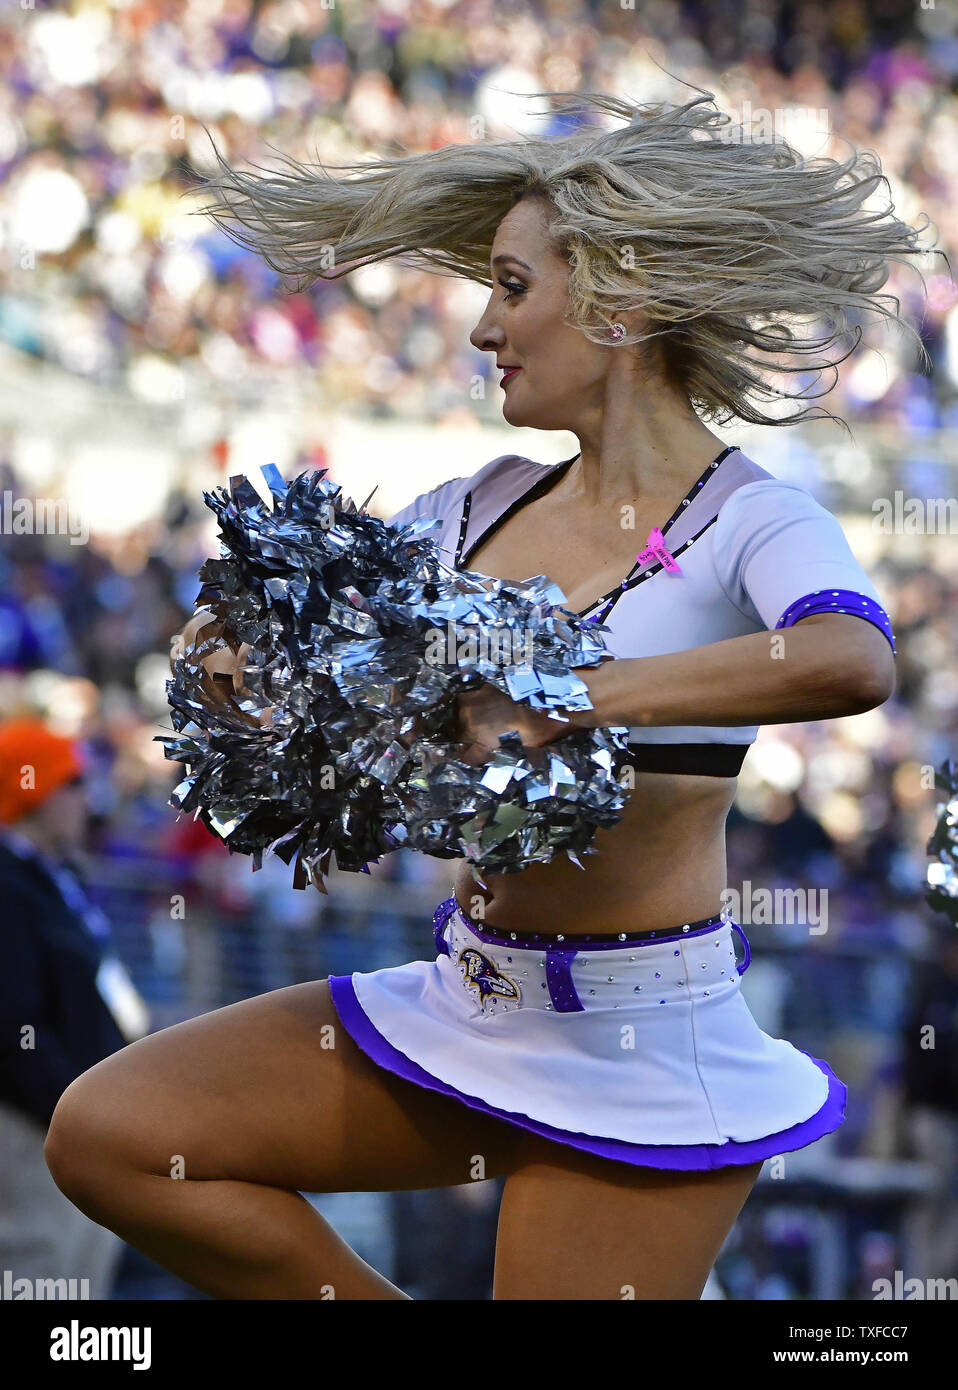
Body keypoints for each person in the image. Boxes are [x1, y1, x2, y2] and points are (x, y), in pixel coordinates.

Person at [45, 88, 926, 1300]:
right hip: (463, 1003)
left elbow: (849, 659)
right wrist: (233, 657)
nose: (477, 330)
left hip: (640, 1044)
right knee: (116, 1137)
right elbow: (297, 630)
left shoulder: (749, 518)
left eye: (511, 288)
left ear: (620, 299)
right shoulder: (472, 505)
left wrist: (581, 692)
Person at [0, 716, 149, 1299]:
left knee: (81, 1276)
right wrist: (69, 1108)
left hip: (72, 1120)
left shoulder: (52, 876)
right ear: (32, 791)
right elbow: (13, 1021)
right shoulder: (8, 883)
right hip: (30, 1123)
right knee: (42, 1278)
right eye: (72, 783)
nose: (86, 799)